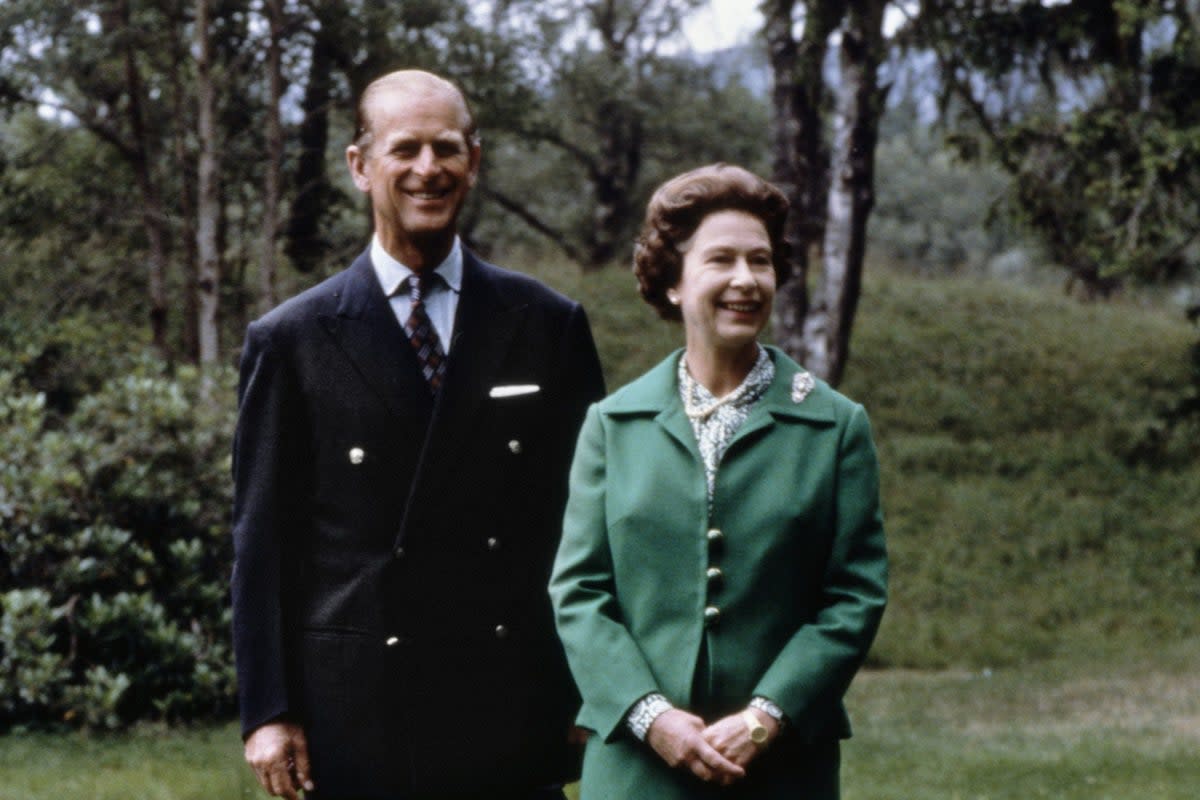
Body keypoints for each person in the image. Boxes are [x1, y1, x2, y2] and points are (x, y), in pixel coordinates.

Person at [231, 69, 605, 800]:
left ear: (475, 159)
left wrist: (588, 689)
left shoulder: (547, 325)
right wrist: (268, 711)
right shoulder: (293, 340)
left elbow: (588, 529)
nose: (427, 170)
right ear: (359, 165)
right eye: (405, 150)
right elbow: (262, 540)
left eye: (446, 149)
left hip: (511, 701)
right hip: (357, 709)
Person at [549, 163, 888, 799]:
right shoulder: (612, 424)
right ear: (673, 282)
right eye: (721, 260)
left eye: (759, 262)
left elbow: (853, 596)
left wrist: (766, 717)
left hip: (781, 770)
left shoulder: (835, 426)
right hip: (636, 771)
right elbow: (579, 592)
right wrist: (653, 718)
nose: (745, 280)